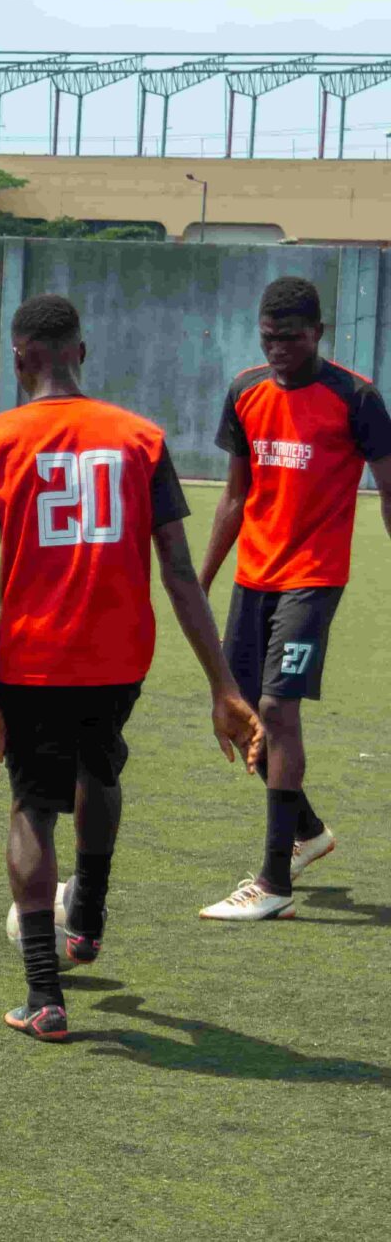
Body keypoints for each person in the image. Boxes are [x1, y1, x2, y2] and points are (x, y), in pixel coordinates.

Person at [0, 294, 259, 1042]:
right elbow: (181, 571)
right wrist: (222, 684)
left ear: (20, 357)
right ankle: (86, 909)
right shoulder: (140, 438)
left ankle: (44, 995)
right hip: (121, 660)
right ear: (80, 354)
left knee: (32, 806)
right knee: (102, 769)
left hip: (31, 662)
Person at [194, 276, 391, 920]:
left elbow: (389, 489)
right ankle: (306, 831)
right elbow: (234, 495)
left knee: (279, 710)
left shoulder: (356, 398)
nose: (278, 350)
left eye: (292, 339)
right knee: (246, 714)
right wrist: (201, 580)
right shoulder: (245, 392)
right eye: (269, 339)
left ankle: (273, 882)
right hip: (255, 576)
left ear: (319, 334)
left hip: (314, 575)